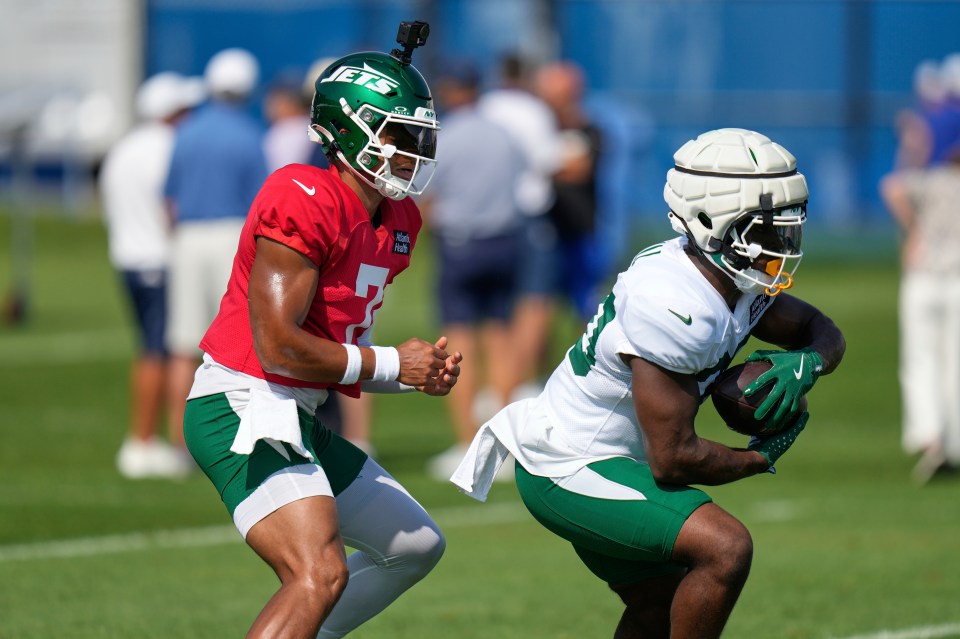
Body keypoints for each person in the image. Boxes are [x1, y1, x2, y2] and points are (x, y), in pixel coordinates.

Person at [452, 128, 846, 639]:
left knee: (657, 605)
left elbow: (820, 328)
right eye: (766, 229)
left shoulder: (729, 274)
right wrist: (757, 458)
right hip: (568, 466)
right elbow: (673, 458)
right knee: (725, 548)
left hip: (609, 460)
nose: (781, 245)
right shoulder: (675, 301)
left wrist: (809, 363)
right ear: (711, 221)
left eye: (787, 228)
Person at [182, 36, 460, 639]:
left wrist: (413, 375)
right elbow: (279, 347)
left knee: (414, 545)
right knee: (317, 573)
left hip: (296, 409)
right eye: (396, 134)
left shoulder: (399, 219)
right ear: (348, 131)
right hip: (242, 402)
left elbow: (337, 350)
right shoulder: (301, 194)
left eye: (419, 136)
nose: (411, 151)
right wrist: (394, 364)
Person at [419, 59, 526, 481]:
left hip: (460, 243)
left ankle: (470, 444)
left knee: (457, 342)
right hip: (505, 241)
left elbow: (426, 197)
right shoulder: (503, 134)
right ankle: (503, 445)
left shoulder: (443, 138)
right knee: (501, 338)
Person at [164, 48, 269, 456]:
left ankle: (179, 445)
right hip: (233, 236)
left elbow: (169, 200)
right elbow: (261, 205)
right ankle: (239, 440)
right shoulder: (250, 134)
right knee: (240, 342)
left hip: (189, 237)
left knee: (182, 345)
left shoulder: (187, 131)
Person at [99, 72, 204, 478]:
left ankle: (147, 440)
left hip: (128, 259)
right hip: (159, 260)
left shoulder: (123, 148)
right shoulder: (167, 148)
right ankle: (143, 442)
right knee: (159, 350)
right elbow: (172, 207)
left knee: (151, 347)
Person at [478, 53, 563, 397]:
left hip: (488, 216)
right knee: (535, 300)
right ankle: (517, 383)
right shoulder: (534, 110)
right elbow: (550, 162)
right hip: (529, 213)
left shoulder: (485, 107)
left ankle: (496, 383)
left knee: (496, 306)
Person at [880, 134, 960, 484]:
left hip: (923, 276)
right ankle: (952, 444)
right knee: (955, 363)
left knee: (921, 359)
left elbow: (893, 187)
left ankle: (931, 439)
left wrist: (913, 229)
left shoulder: (930, 179)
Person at [533, 59, 607, 321]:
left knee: (587, 310)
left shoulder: (591, 130)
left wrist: (541, 167)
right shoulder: (540, 130)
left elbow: (579, 170)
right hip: (543, 231)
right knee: (536, 306)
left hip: (579, 232)